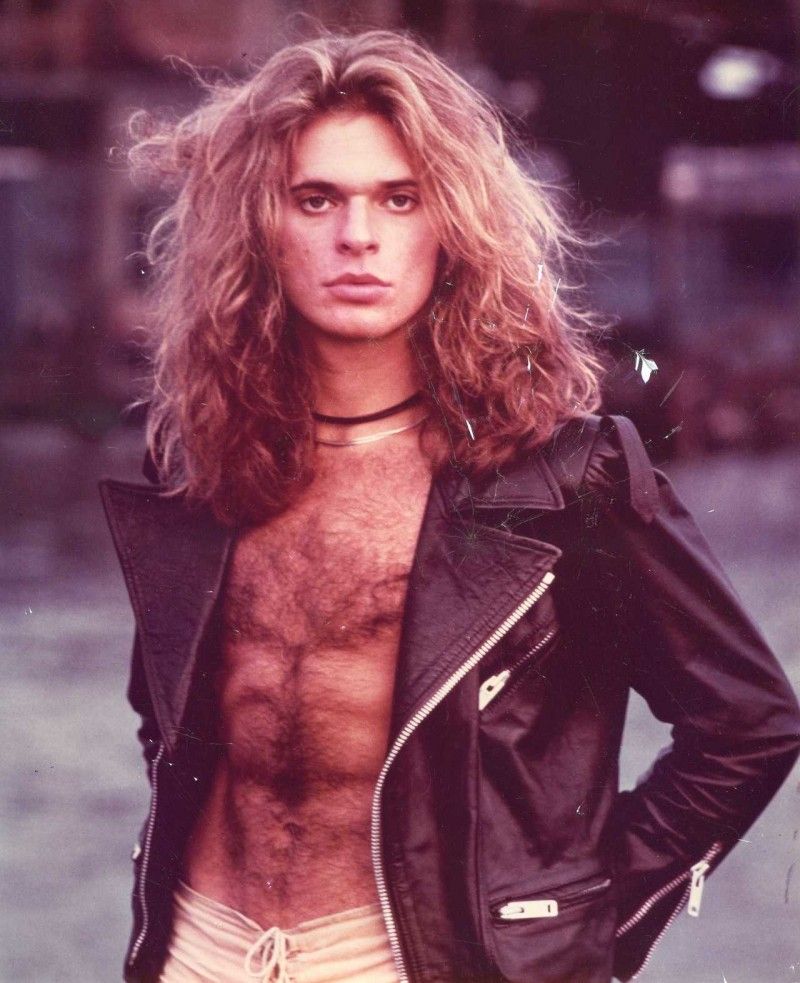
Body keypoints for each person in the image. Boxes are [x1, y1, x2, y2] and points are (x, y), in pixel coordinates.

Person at [100, 29, 800, 983]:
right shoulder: (201, 458)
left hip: (404, 959)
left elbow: (747, 724)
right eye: (316, 199)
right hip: (197, 946)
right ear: (260, 226)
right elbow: (171, 714)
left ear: (454, 225)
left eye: (401, 198)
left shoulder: (564, 480)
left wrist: (566, 930)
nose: (358, 236)